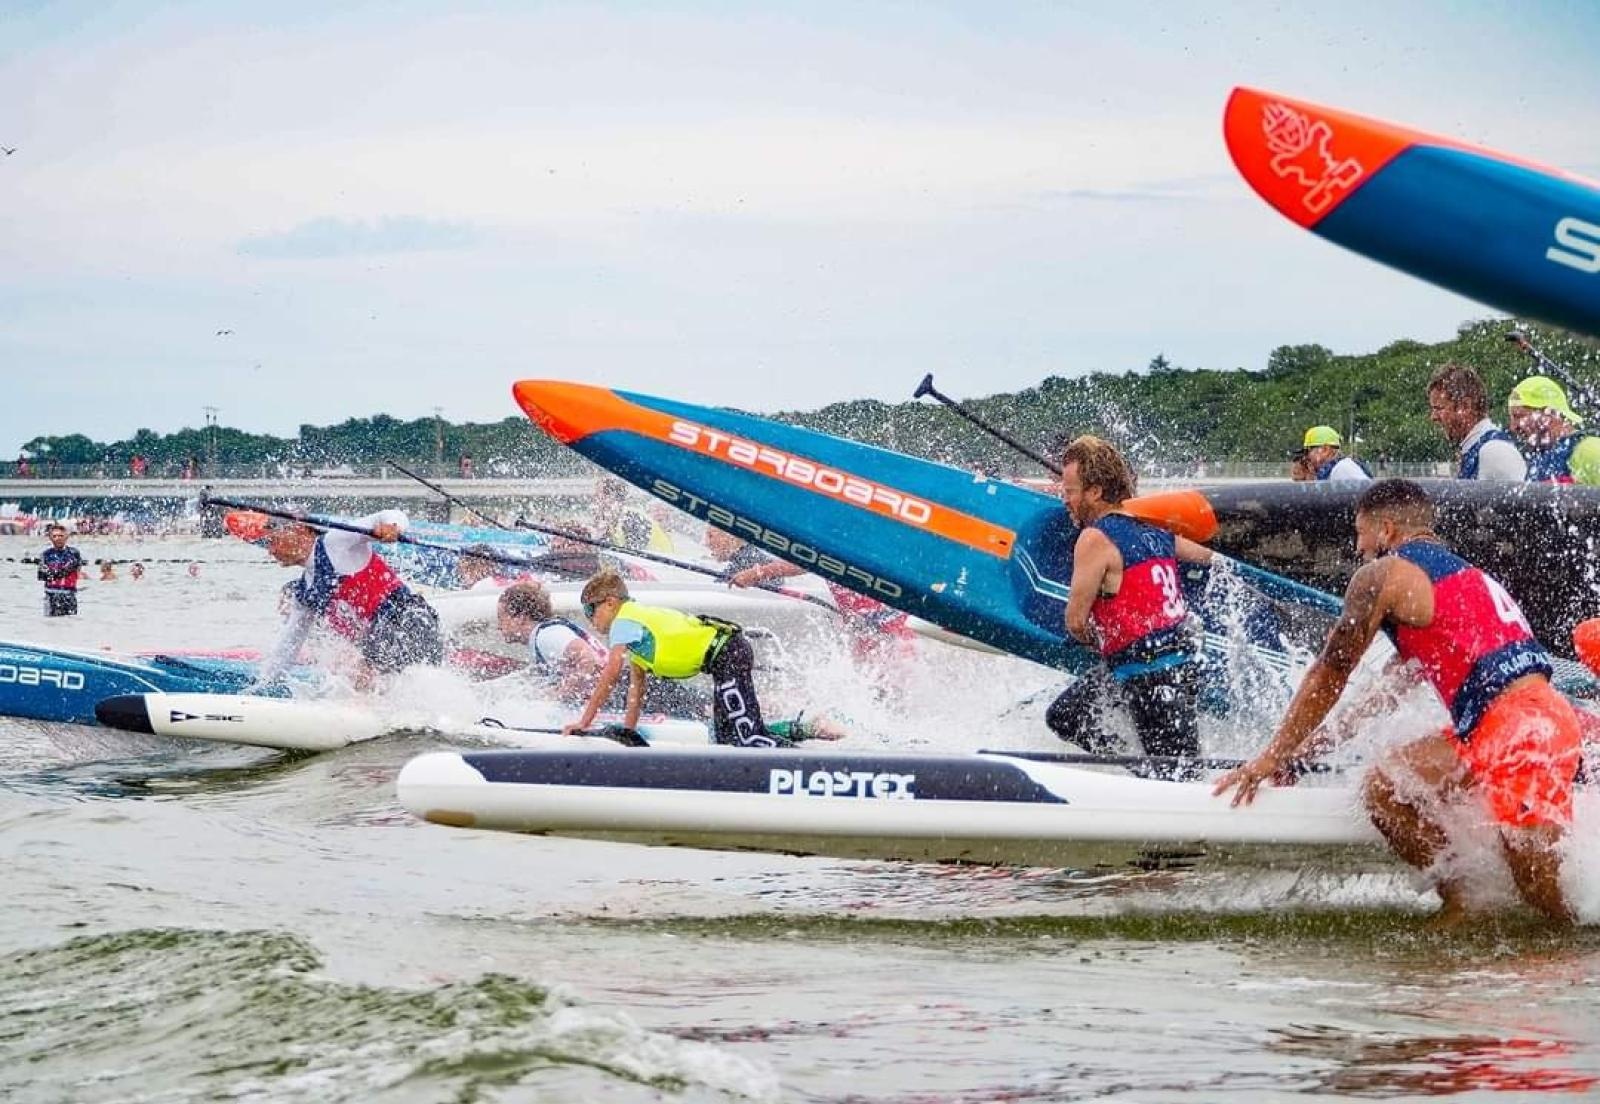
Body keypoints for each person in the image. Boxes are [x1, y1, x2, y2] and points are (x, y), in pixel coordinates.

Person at [1214, 480, 1580, 925]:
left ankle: (1573, 961)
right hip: (1509, 725)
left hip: (1524, 732)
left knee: (1545, 899)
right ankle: (1464, 900)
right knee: (1388, 788)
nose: (1358, 546)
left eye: (1360, 532)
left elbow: (1330, 671)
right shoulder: (1460, 579)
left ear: (1386, 529)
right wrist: (1300, 754)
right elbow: (1381, 697)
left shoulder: (1383, 576)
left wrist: (1269, 757)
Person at [1049, 436, 1214, 771]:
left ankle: (1142, 772)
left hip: (1148, 677)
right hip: (1172, 667)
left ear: (1095, 492)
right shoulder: (1152, 528)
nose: (1064, 499)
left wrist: (1101, 642)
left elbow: (1076, 622)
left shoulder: (1094, 539)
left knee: (1177, 779)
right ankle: (1136, 765)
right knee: (1065, 715)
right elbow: (1210, 557)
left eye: (1069, 491)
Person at [564, 569, 782, 745]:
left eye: (591, 610)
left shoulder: (623, 621)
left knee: (747, 736)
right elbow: (636, 691)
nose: (590, 620)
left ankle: (786, 756)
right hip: (724, 657)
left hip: (728, 652)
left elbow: (611, 674)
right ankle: (790, 733)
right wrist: (628, 733)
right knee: (727, 736)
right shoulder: (636, 636)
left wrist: (584, 722)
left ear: (610, 603)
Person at [257, 509, 443, 690]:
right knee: (355, 679)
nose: (270, 551)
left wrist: (392, 526)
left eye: (273, 540)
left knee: (362, 678)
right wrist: (265, 686)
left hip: (411, 622)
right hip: (381, 643)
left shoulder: (336, 542)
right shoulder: (305, 595)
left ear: (299, 530)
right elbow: (287, 647)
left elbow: (388, 514)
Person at [713, 526, 918, 675]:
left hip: (887, 625)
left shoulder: (846, 535)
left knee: (888, 682)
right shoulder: (834, 533)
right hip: (862, 626)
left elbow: (807, 561)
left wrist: (759, 573)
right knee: (867, 680)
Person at [1425, 363, 1527, 480]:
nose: (1433, 417)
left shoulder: (1494, 451)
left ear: (1465, 406)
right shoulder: (1477, 449)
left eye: (1438, 408)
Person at [1506, 376, 1600, 484]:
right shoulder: (1536, 462)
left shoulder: (1589, 449)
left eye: (1519, 416)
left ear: (1549, 413)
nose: (1513, 427)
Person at [1289, 426, 1372, 482]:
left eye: (1308, 451)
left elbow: (1369, 499)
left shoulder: (1342, 468)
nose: (1305, 457)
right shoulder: (1334, 470)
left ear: (1325, 450)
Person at [37, 523, 84, 616]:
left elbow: (74, 568)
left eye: (61, 536)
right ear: (50, 538)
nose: (58, 538)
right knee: (49, 624)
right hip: (51, 596)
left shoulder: (74, 553)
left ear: (66, 537)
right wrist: (61, 571)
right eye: (54, 536)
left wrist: (52, 573)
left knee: (70, 623)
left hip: (69, 595)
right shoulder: (45, 554)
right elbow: (41, 576)